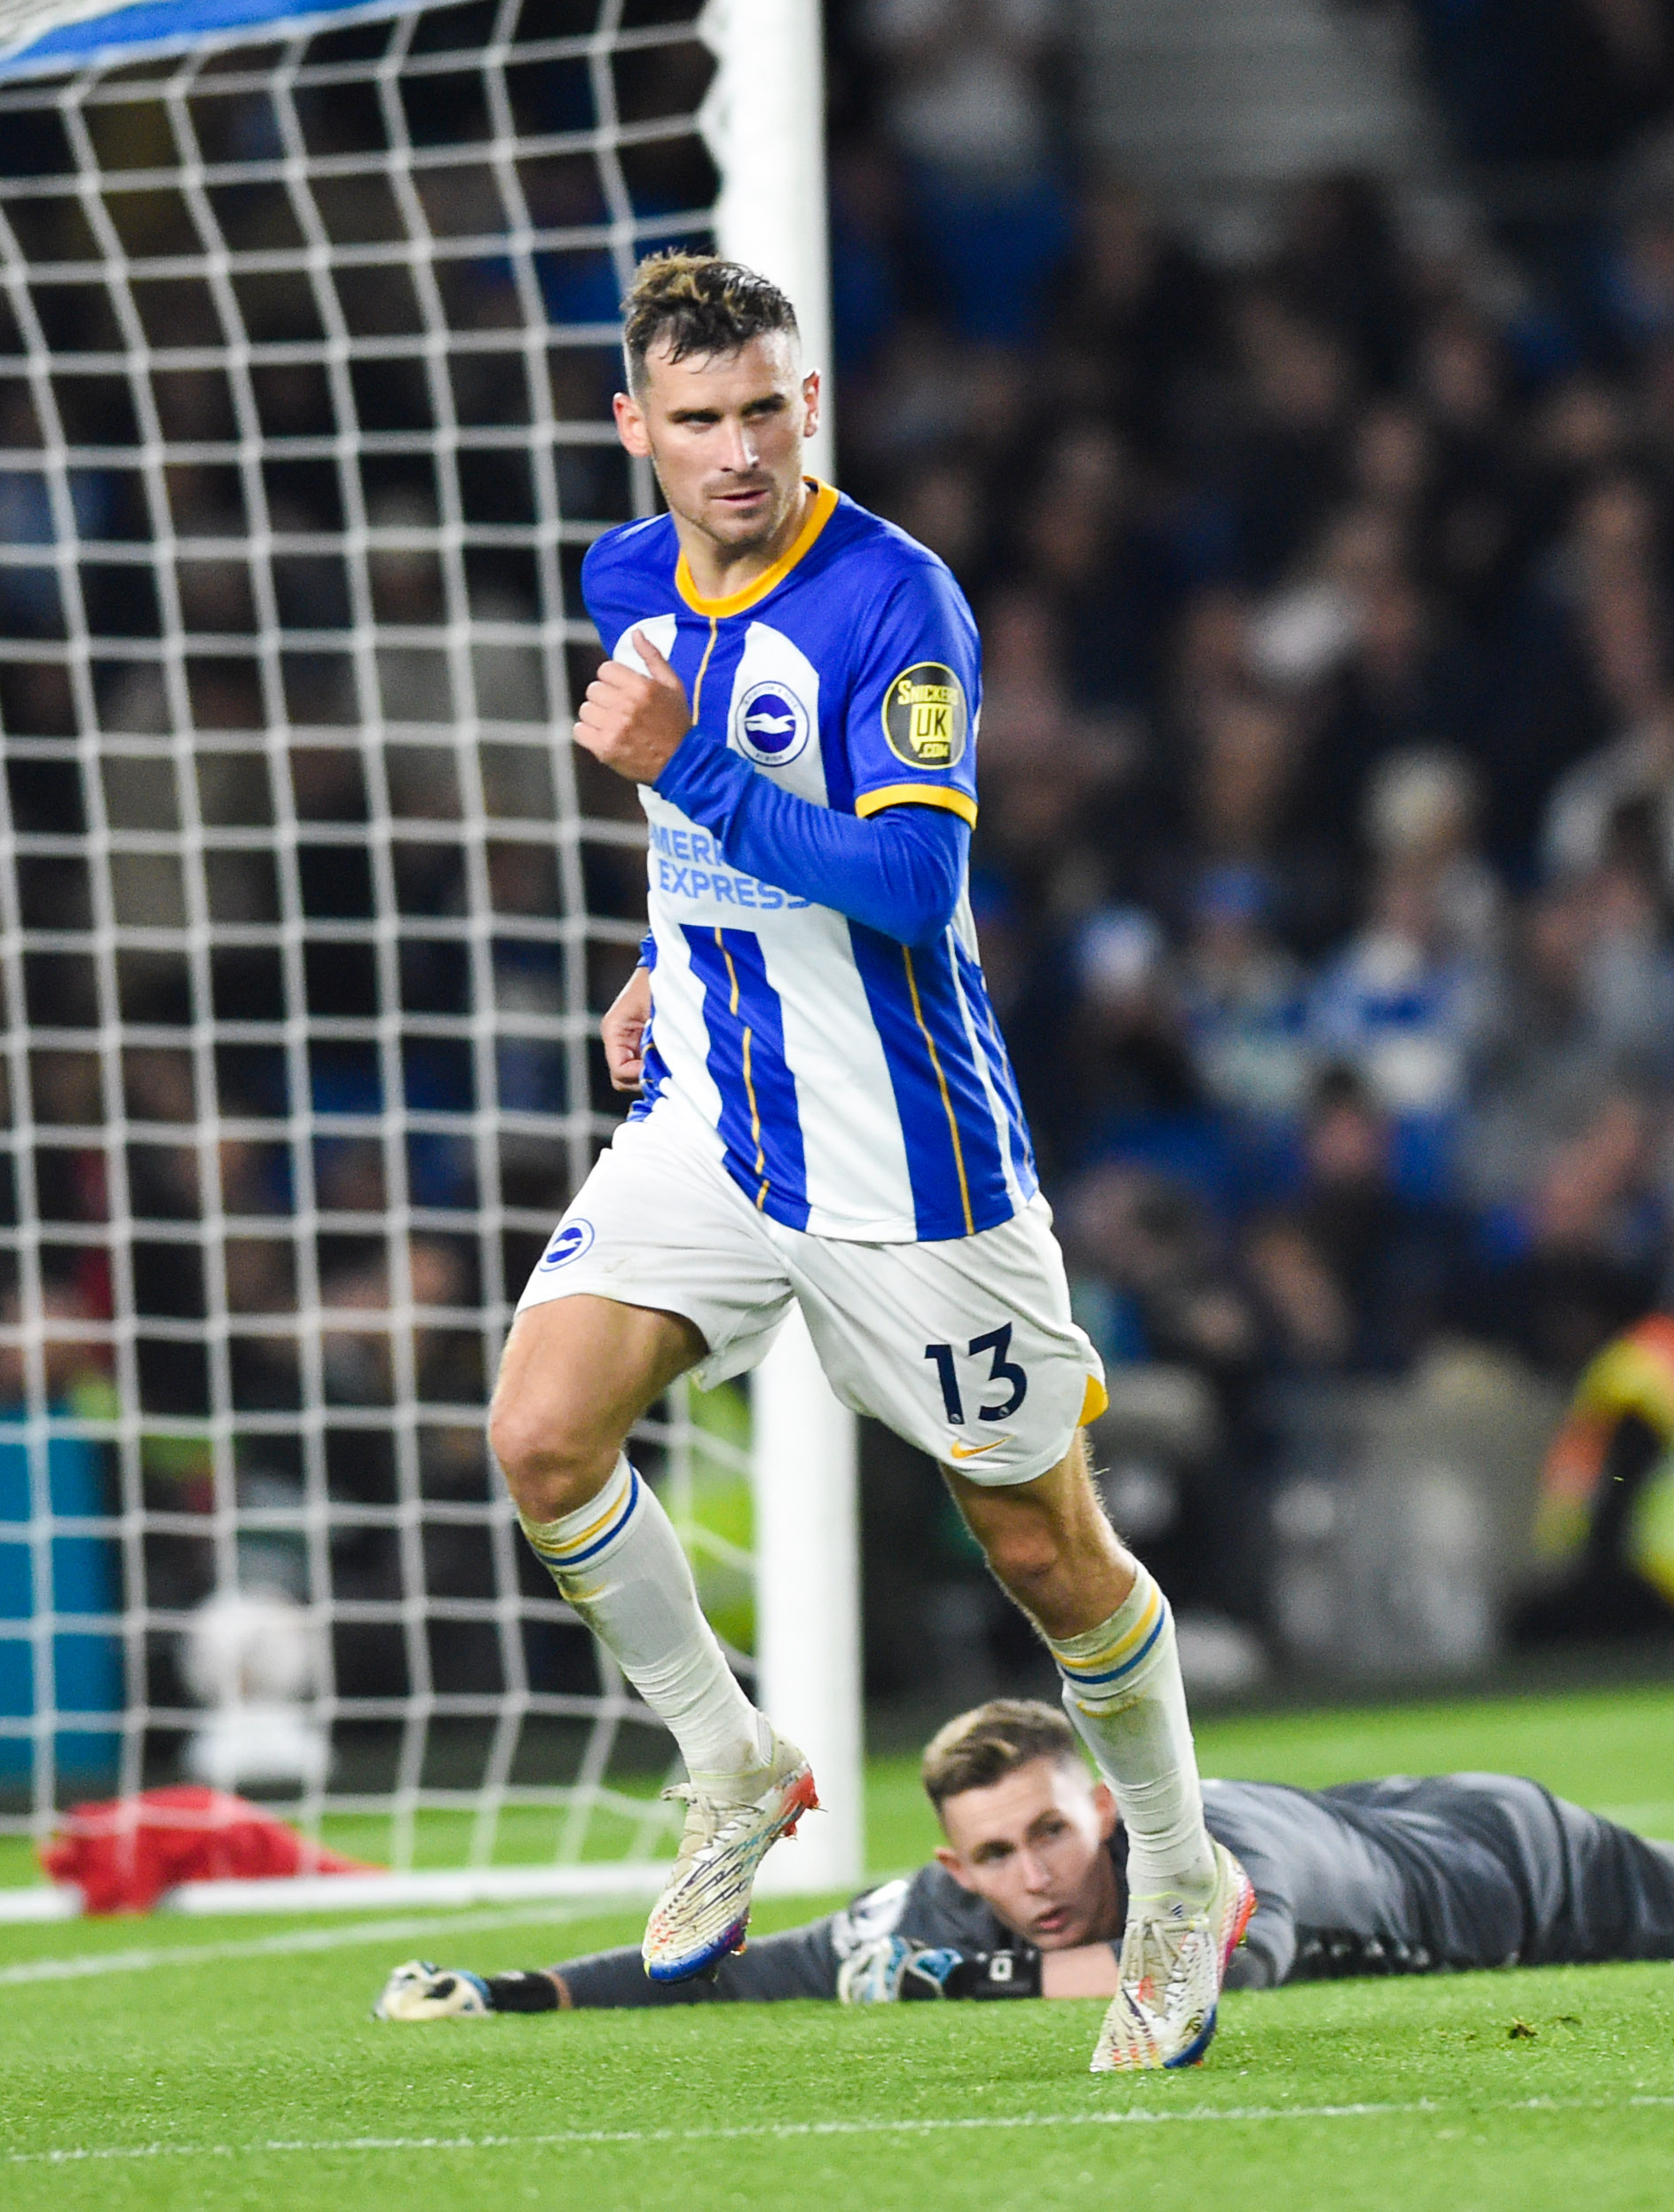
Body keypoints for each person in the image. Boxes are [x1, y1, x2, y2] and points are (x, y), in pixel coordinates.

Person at [488, 256, 1242, 2075]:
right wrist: (665, 956)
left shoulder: (894, 599)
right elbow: (709, 838)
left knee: (1039, 1547)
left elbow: (912, 884)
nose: (734, 452)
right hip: (714, 1119)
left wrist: (691, 773)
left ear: (805, 403)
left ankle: (1178, 1873)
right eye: (694, 421)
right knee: (538, 1432)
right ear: (633, 431)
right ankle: (730, 1758)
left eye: (763, 409)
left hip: (910, 1162)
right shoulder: (623, 577)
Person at [370, 1696, 1674, 2022]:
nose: (1031, 1877)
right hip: (1422, 1836)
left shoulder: (1175, 1869)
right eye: (989, 1862)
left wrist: (996, 1977)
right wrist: (534, 1991)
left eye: (1050, 1828)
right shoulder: (955, 1913)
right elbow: (766, 1967)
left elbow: (1207, 1960)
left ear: (1098, 1795)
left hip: (1519, 1866)